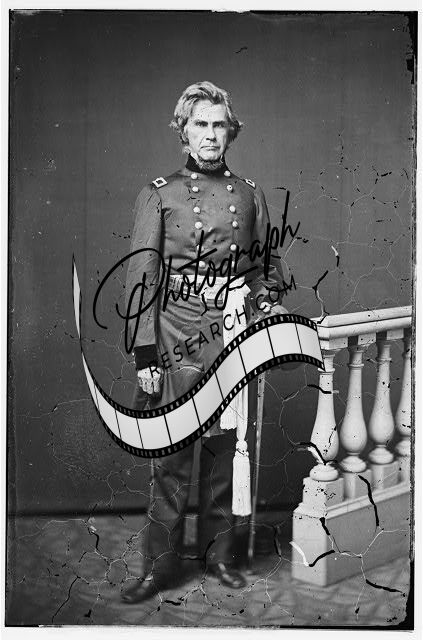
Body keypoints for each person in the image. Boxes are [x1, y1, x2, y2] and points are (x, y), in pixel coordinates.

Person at [121, 81, 288, 604]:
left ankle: (218, 557)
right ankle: (159, 567)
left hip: (230, 335)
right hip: (176, 333)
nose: (210, 134)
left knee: (221, 454)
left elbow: (264, 269)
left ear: (231, 132)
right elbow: (142, 278)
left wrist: (265, 304)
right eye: (200, 124)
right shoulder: (160, 194)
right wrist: (145, 353)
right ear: (184, 131)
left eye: (219, 125)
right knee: (173, 461)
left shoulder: (249, 193)